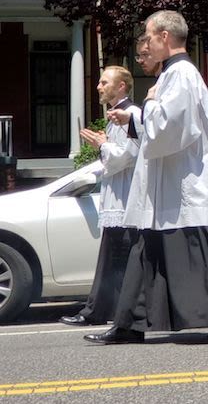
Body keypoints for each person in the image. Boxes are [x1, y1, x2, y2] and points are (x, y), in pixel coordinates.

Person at [85, 10, 208, 344]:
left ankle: (132, 324)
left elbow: (170, 128)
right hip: (174, 180)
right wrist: (138, 120)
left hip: (185, 181)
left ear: (165, 37)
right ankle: (134, 323)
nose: (146, 45)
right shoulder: (176, 75)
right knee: (159, 246)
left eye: (149, 37)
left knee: (167, 245)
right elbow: (165, 127)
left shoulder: (181, 73)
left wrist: (147, 108)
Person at [60, 66, 143, 326]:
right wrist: (104, 143)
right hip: (117, 196)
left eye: (104, 82)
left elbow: (129, 155)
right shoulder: (115, 116)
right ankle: (101, 311)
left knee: (119, 260)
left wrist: (102, 145)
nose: (99, 86)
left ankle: (105, 312)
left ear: (121, 86)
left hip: (127, 198)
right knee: (112, 259)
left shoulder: (132, 114)